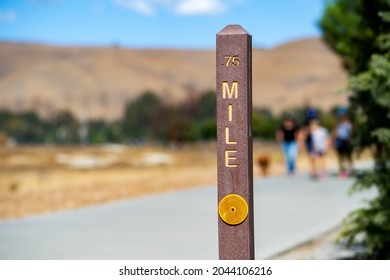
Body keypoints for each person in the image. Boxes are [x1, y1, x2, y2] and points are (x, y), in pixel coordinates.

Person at [333, 107, 354, 178]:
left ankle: (351, 170)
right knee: (340, 157)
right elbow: (336, 133)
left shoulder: (348, 124)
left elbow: (350, 133)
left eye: (342, 115)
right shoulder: (338, 124)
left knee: (349, 157)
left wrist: (350, 141)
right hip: (340, 141)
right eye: (340, 116)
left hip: (346, 141)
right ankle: (342, 171)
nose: (341, 117)